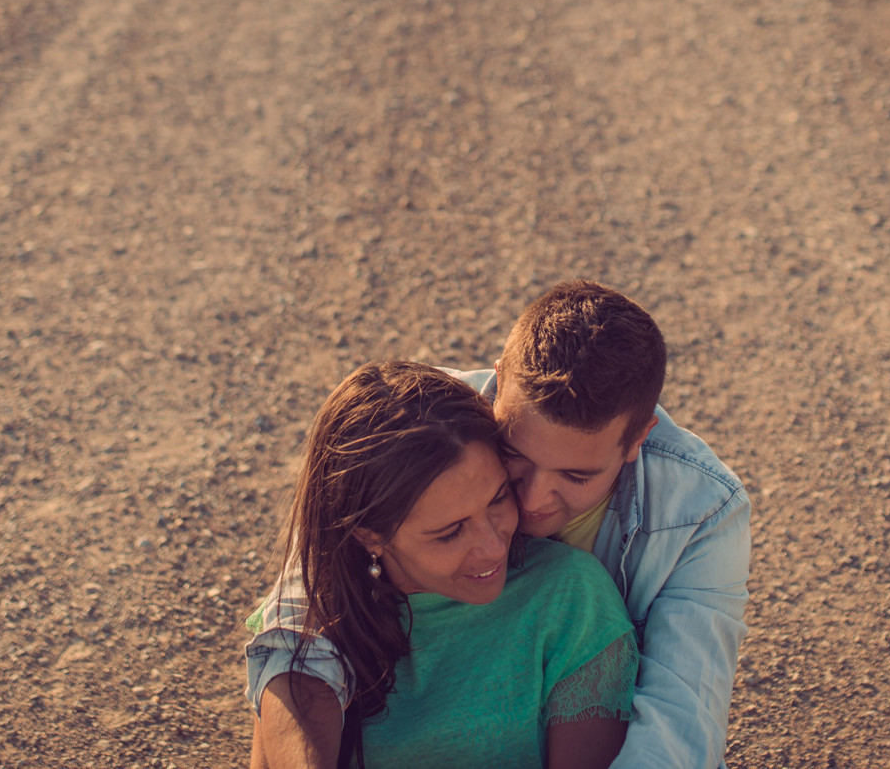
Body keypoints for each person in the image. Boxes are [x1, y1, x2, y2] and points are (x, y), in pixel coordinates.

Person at [248, 281, 751, 769]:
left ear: (639, 437)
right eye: (512, 455)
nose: (529, 502)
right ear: (498, 385)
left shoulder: (700, 511)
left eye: (576, 476)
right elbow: (303, 616)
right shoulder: (425, 423)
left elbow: (682, 723)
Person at [247, 360, 637, 769]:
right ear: (369, 534)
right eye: (450, 532)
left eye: (499, 498)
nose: (491, 547)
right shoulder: (310, 619)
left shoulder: (572, 599)